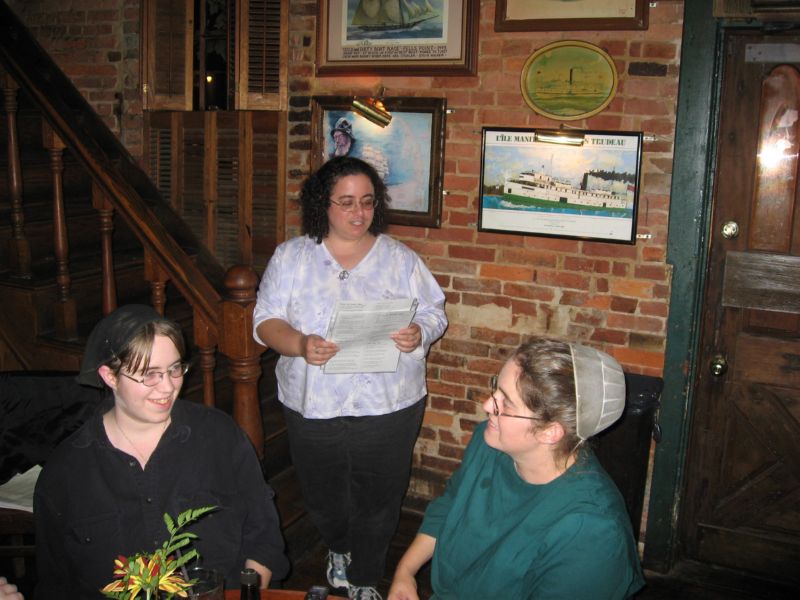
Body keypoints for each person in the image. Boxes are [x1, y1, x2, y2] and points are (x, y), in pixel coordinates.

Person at [253, 156, 447, 600]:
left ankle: (365, 577)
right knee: (322, 493)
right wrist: (300, 344)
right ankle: (339, 547)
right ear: (323, 204)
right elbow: (265, 320)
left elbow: (434, 312)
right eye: (346, 202)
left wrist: (419, 332)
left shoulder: (400, 259)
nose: (359, 213)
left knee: (379, 497)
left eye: (367, 201)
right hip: (312, 400)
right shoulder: (292, 257)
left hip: (389, 402)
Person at [33, 305, 289, 599]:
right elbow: (56, 585)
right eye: (150, 374)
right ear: (109, 376)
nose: (168, 387)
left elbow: (264, 539)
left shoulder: (219, 436)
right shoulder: (66, 472)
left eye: (174, 369)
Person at [387, 338, 645, 600]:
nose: (487, 405)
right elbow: (452, 504)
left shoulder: (591, 531)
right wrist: (405, 572)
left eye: (506, 403)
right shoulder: (490, 443)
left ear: (549, 432)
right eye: (496, 389)